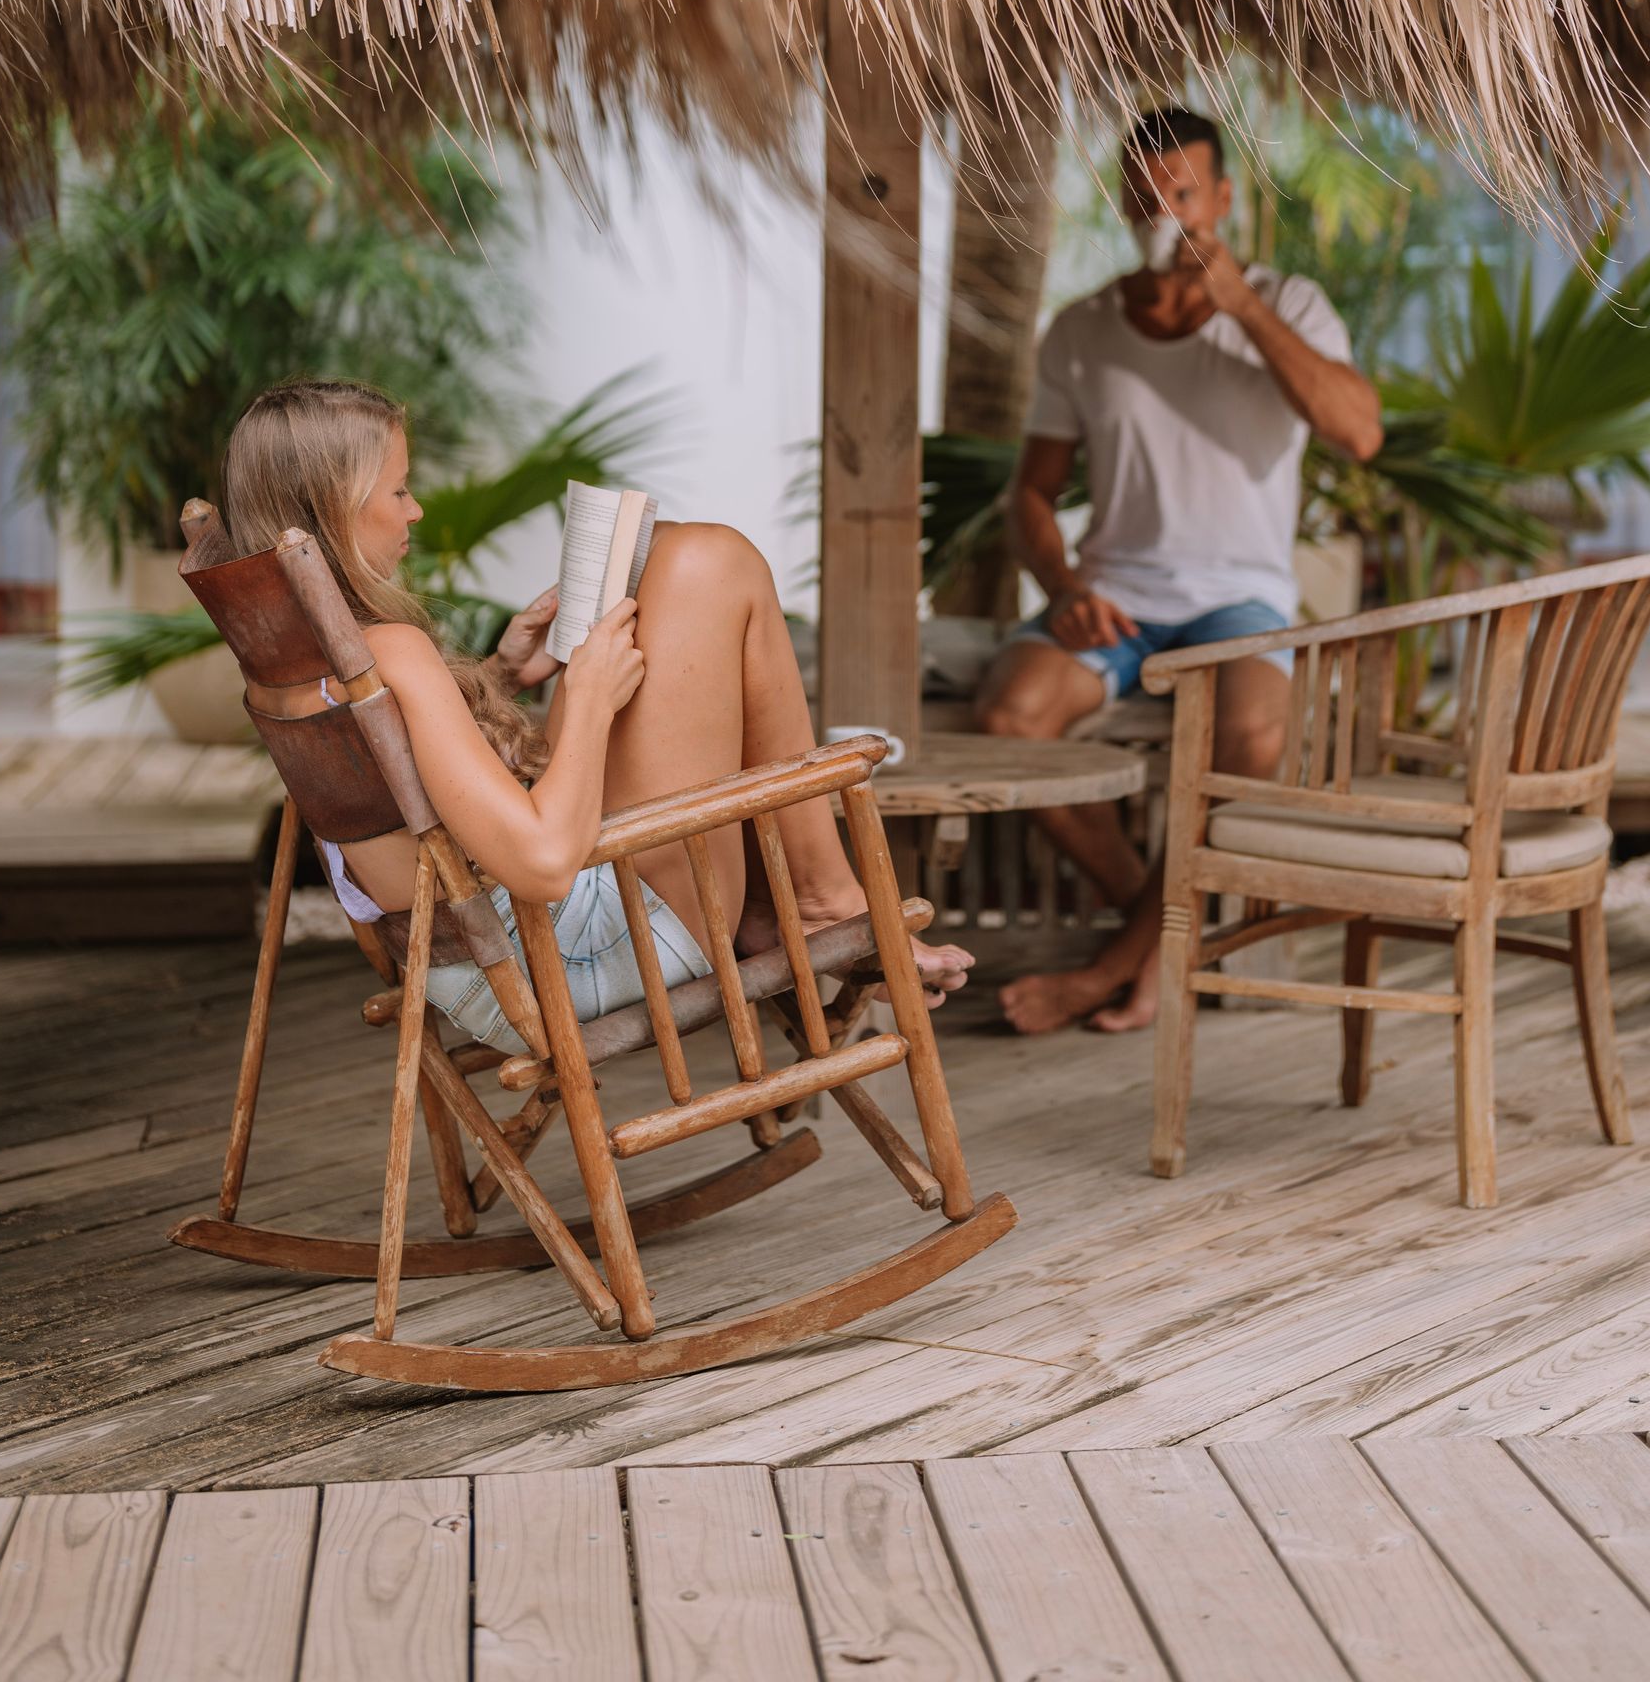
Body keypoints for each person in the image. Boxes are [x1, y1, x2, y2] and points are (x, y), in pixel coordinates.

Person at [221, 380, 971, 1052]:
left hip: (472, 970)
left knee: (676, 552)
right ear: (337, 507)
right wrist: (584, 702)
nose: (415, 509)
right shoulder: (393, 651)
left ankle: (806, 905)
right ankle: (820, 905)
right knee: (712, 560)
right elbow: (545, 864)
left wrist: (501, 675)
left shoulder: (292, 660)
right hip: (566, 957)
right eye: (398, 491)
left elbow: (398, 773)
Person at [978, 109, 1383, 1035]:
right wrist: (1066, 588)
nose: (1161, 207)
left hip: (1239, 596)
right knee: (1009, 717)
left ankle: (1103, 972)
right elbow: (1031, 498)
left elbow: (1360, 431)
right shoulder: (1082, 329)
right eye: (1144, 191)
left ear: (1224, 201)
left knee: (1252, 735)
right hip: (1115, 594)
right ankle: (1152, 931)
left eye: (1182, 191)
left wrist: (1242, 305)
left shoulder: (1291, 303)